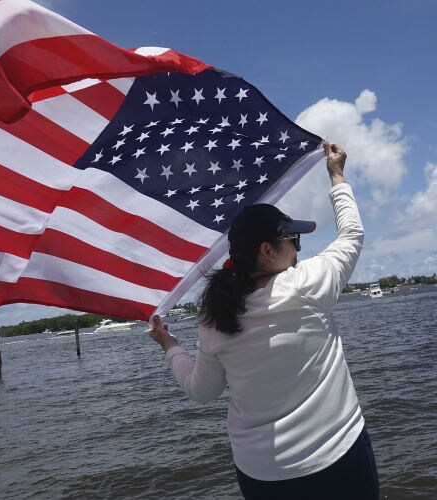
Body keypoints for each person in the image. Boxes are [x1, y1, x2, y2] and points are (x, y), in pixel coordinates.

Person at [149, 143, 379, 499]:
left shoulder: (213, 316)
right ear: (267, 251)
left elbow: (202, 392)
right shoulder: (306, 285)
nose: (299, 249)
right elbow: (352, 235)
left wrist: (170, 345)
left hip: (263, 477)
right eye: (293, 239)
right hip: (338, 459)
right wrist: (336, 175)